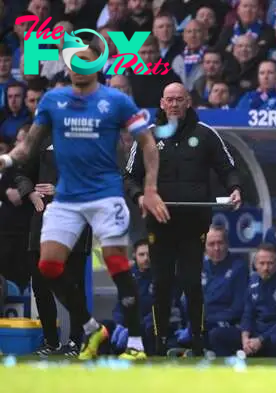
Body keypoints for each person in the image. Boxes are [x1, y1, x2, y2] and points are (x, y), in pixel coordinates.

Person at [0, 44, 170, 361]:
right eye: (72, 62)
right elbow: (28, 148)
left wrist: (150, 188)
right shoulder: (52, 101)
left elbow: (147, 143)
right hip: (66, 197)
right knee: (48, 266)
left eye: (84, 61)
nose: (78, 67)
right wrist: (7, 159)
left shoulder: (116, 100)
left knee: (117, 264)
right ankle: (93, 329)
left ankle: (135, 344)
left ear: (96, 66)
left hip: (105, 193)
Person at [124, 82, 242, 357]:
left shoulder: (206, 135)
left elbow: (229, 168)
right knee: (161, 283)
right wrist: (140, 197)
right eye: (170, 100)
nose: (174, 104)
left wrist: (235, 189)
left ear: (188, 102)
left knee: (191, 283)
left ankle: (199, 344)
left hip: (194, 222)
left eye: (179, 99)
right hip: (159, 222)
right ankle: (159, 343)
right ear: (162, 104)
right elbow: (129, 177)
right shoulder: (147, 136)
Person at [14, 131, 92, 357]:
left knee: (73, 283)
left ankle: (76, 341)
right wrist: (30, 194)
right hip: (43, 219)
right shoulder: (42, 138)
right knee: (39, 283)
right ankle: (50, 341)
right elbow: (21, 174)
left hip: (76, 220)